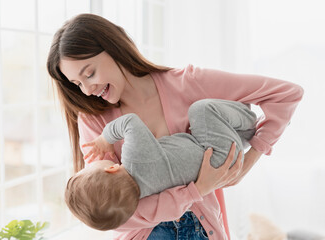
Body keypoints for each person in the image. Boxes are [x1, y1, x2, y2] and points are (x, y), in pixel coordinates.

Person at [47, 13, 303, 240]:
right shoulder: (93, 119)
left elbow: (286, 94)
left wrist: (249, 160)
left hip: (204, 228)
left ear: (113, 48)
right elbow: (115, 215)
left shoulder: (188, 84)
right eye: (77, 83)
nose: (88, 90)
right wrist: (196, 190)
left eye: (89, 73)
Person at [65, 99, 257, 231]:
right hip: (217, 152)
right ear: (111, 168)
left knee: (206, 128)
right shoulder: (136, 158)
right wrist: (104, 138)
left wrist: (198, 189)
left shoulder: (145, 198)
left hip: (221, 163)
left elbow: (175, 207)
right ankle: (252, 120)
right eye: (88, 167)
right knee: (201, 110)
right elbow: (129, 122)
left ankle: (244, 133)